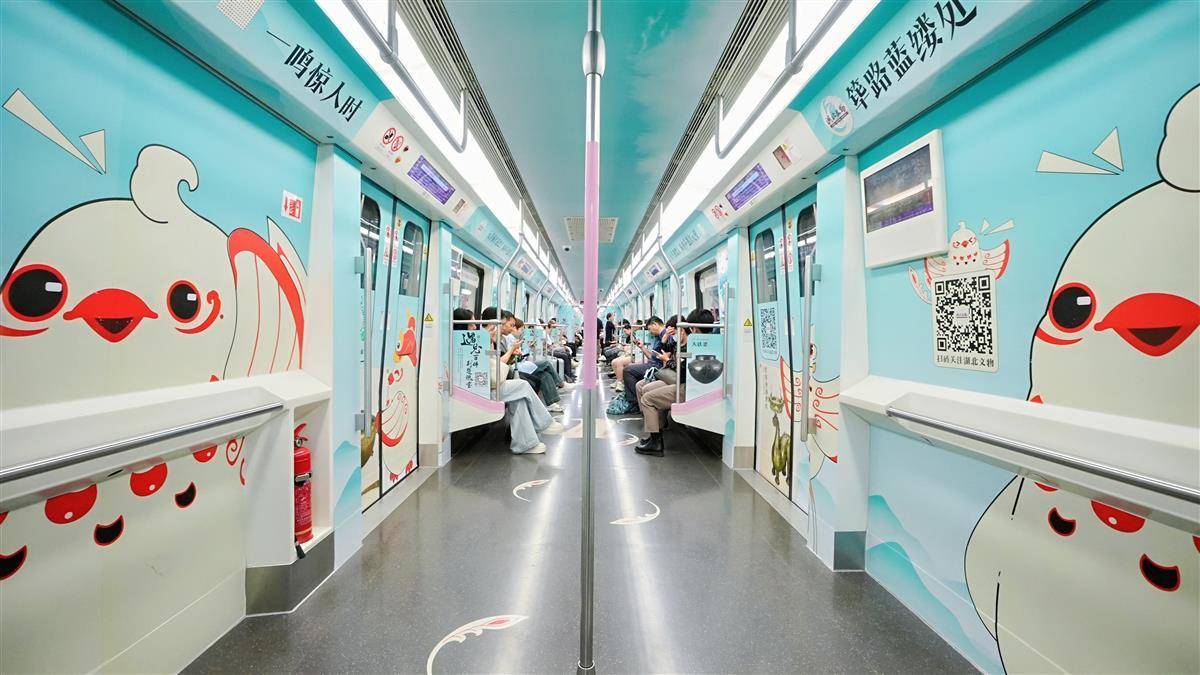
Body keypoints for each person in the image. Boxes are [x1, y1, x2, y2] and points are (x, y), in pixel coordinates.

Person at [478, 306, 565, 454]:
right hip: (487, 388)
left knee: (519, 398)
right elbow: (492, 368)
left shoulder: (494, 338)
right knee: (523, 385)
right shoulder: (483, 339)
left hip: (496, 382)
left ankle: (524, 444)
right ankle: (544, 423)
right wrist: (509, 350)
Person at [635, 308, 714, 456]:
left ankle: (656, 443)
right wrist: (666, 342)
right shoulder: (712, 343)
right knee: (646, 390)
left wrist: (668, 361)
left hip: (689, 387)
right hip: (693, 384)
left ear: (694, 328)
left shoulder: (695, 344)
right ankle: (655, 435)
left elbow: (683, 371)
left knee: (647, 399)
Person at [617, 316, 668, 411]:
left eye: (649, 329)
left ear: (655, 324)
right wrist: (642, 347)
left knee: (628, 370)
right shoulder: (658, 337)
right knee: (630, 368)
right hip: (653, 364)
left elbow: (665, 358)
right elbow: (652, 357)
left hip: (656, 367)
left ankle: (634, 403)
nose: (650, 332)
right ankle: (634, 401)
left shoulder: (665, 336)